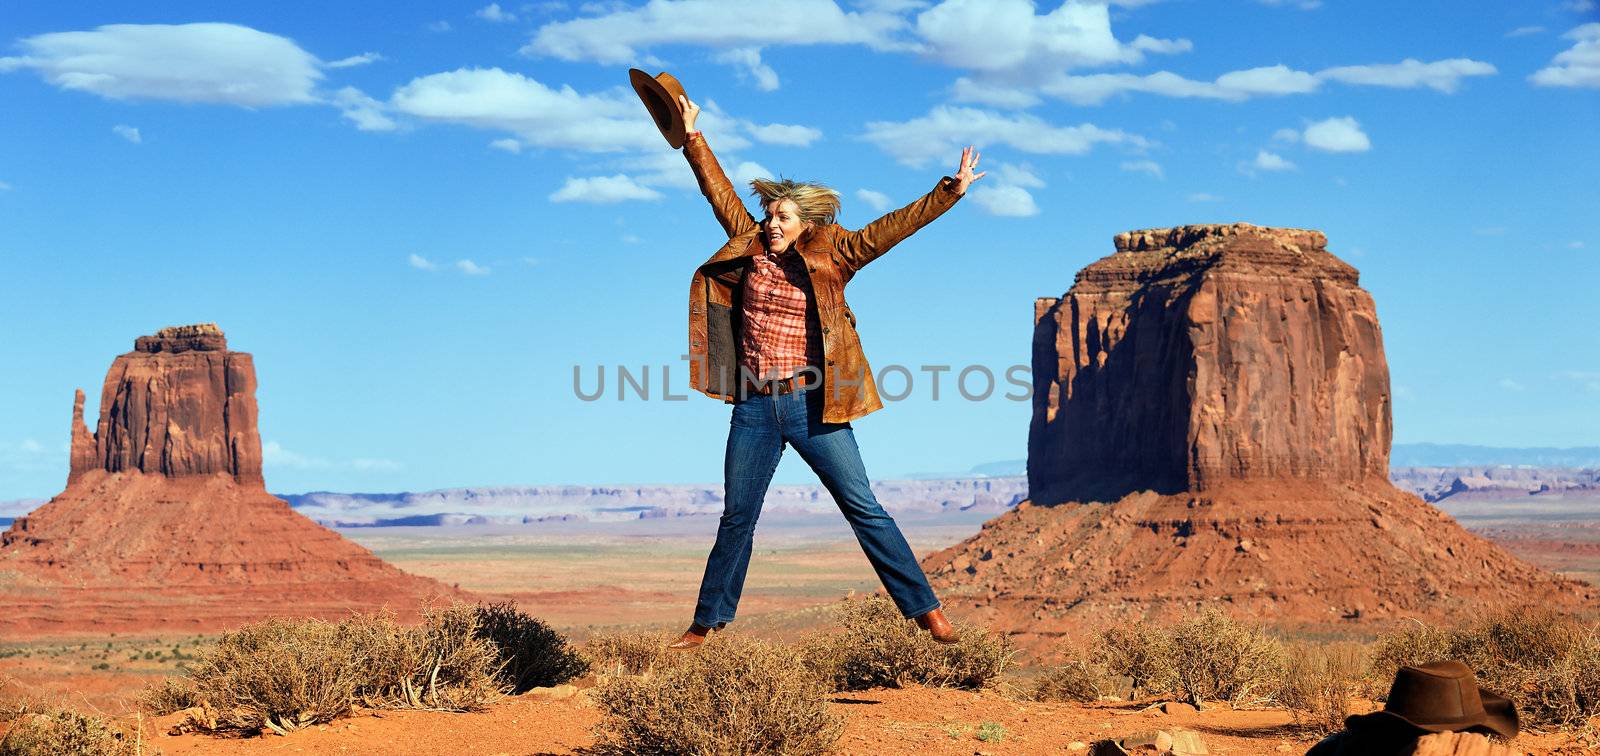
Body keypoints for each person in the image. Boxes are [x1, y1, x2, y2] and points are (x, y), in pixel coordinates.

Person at [665, 91, 985, 650]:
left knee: (863, 507)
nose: (771, 224)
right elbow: (717, 190)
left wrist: (947, 193)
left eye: (783, 217)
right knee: (737, 517)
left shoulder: (836, 255)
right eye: (768, 215)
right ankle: (706, 622)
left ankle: (926, 610)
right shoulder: (749, 245)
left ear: (807, 222)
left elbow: (893, 227)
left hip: (814, 404)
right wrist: (693, 136)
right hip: (756, 406)